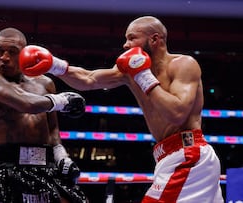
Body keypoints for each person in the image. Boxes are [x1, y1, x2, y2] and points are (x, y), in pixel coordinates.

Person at [19, 16, 224, 202]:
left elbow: (177, 113)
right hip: (168, 156)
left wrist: (143, 76)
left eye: (132, 38)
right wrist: (53, 65)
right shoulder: (129, 72)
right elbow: (89, 79)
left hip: (189, 156)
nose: (125, 44)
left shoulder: (183, 65)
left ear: (155, 39)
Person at [0, 27, 88, 203]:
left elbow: (53, 127)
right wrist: (63, 100)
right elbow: (26, 103)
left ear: (24, 53)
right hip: (6, 167)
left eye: (12, 52)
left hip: (45, 166)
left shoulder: (45, 83)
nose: (4, 57)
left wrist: (61, 156)